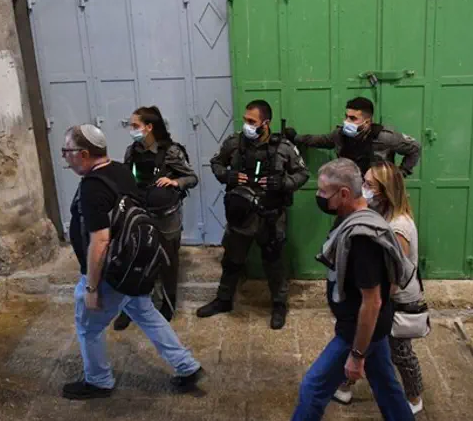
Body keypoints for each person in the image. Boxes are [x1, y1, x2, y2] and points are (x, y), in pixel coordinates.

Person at [61, 124, 202, 400]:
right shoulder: (118, 170)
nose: (64, 156)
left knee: (88, 327)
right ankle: (187, 366)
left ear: (84, 153)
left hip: (111, 273)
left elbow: (99, 241)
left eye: (67, 151)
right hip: (133, 265)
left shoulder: (92, 188)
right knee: (145, 313)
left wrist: (91, 288)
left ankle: (98, 381)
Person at [291, 158, 415, 421]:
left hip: (359, 329)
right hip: (373, 327)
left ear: (344, 194)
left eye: (324, 192)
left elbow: (373, 302)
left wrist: (357, 355)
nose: (319, 196)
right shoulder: (358, 217)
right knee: (387, 387)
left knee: (313, 388)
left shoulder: (362, 238)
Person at [196, 100, 309, 330]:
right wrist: (228, 176)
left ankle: (279, 304)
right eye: (245, 120)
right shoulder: (234, 143)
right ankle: (224, 299)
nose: (246, 125)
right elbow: (216, 163)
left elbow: (302, 173)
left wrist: (283, 182)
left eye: (252, 121)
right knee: (232, 259)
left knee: (274, 263)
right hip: (241, 214)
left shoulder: (283, 147)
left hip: (270, 216)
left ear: (265, 123)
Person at [332, 161, 425, 414]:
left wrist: (369, 301)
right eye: (363, 182)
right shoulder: (380, 215)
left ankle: (414, 397)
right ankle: (345, 384)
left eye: (369, 185)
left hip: (400, 301)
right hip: (386, 301)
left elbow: (393, 278)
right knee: (366, 343)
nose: (363, 189)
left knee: (401, 353)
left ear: (385, 191)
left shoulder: (398, 227)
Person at [113, 106, 198, 329]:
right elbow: (125, 177)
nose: (132, 130)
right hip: (139, 214)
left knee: (167, 261)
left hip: (166, 217)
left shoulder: (170, 152)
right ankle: (132, 308)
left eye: (135, 126)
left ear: (149, 127)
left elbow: (191, 177)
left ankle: (168, 305)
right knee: (134, 258)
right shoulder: (132, 151)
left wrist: (175, 182)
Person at [283, 97, 421, 176]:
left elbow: (415, 148)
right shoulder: (340, 135)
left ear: (367, 122)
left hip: (379, 196)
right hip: (351, 194)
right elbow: (321, 140)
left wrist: (400, 174)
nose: (347, 122)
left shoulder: (384, 138)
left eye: (353, 118)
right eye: (346, 117)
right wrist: (296, 138)